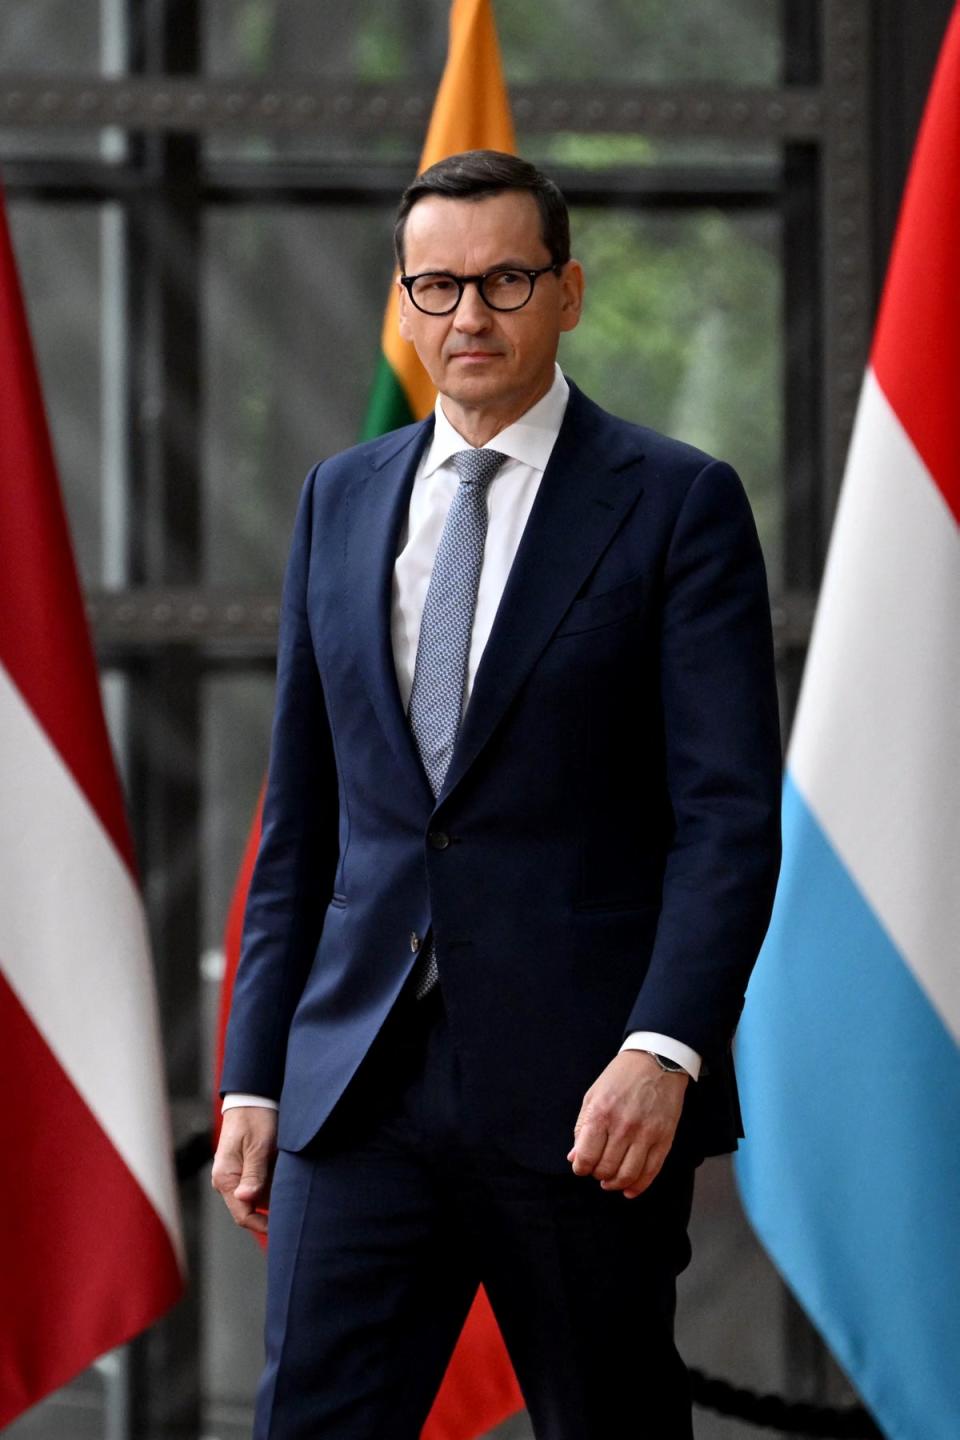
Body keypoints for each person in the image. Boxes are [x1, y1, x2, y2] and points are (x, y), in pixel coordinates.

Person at [213, 149, 782, 1439]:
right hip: (355, 1088)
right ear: (403, 303)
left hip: (587, 1102)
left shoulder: (678, 503)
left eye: (505, 279)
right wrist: (254, 1077)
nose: (468, 314)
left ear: (569, 292)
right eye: (438, 284)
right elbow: (305, 828)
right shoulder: (338, 499)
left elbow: (729, 821)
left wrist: (664, 1051)